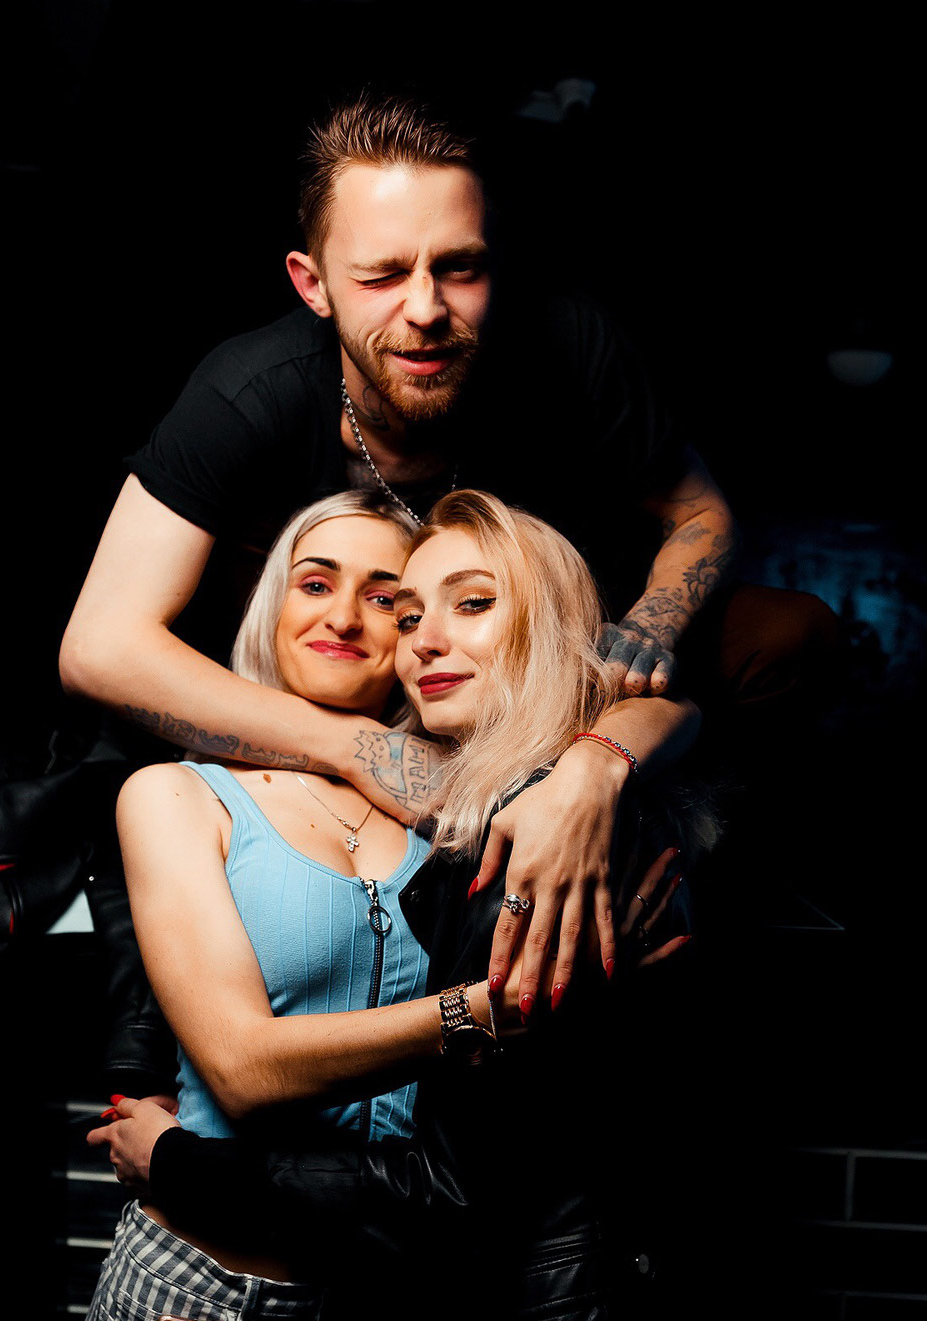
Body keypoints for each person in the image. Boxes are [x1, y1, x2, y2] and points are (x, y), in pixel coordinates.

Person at [59, 89, 828, 1015]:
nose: (425, 309)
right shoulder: (248, 393)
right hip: (359, 676)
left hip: (541, 656)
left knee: (785, 633)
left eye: (459, 268)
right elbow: (99, 645)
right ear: (312, 283)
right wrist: (360, 750)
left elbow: (701, 514)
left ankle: (689, 901)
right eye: (382, 275)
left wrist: (641, 647)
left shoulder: (567, 341)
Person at [82, 488, 707, 1321]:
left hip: (392, 1305)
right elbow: (235, 1061)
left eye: (390, 599)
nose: (360, 619)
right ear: (271, 606)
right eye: (316, 582)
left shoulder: (468, 802)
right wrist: (491, 1013)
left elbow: (677, 710)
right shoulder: (181, 792)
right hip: (208, 1287)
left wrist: (601, 759)